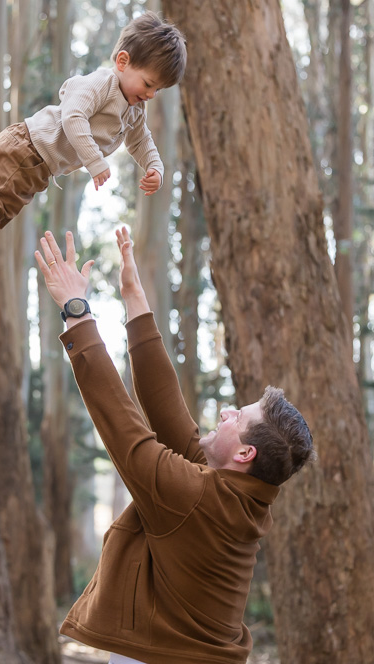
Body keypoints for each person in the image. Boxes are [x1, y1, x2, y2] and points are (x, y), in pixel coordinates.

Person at [35, 227, 315, 664]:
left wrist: (76, 310)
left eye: (237, 418)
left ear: (245, 454)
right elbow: (168, 413)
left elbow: (124, 431)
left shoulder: (199, 498)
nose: (225, 412)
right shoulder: (237, 497)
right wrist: (134, 300)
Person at [0, 12, 186, 307]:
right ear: (123, 62)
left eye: (158, 90)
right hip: (26, 147)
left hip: (38, 165)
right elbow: (73, 116)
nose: (151, 94)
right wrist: (95, 161)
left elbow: (141, 140)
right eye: (149, 83)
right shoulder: (101, 84)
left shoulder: (134, 109)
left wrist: (155, 167)